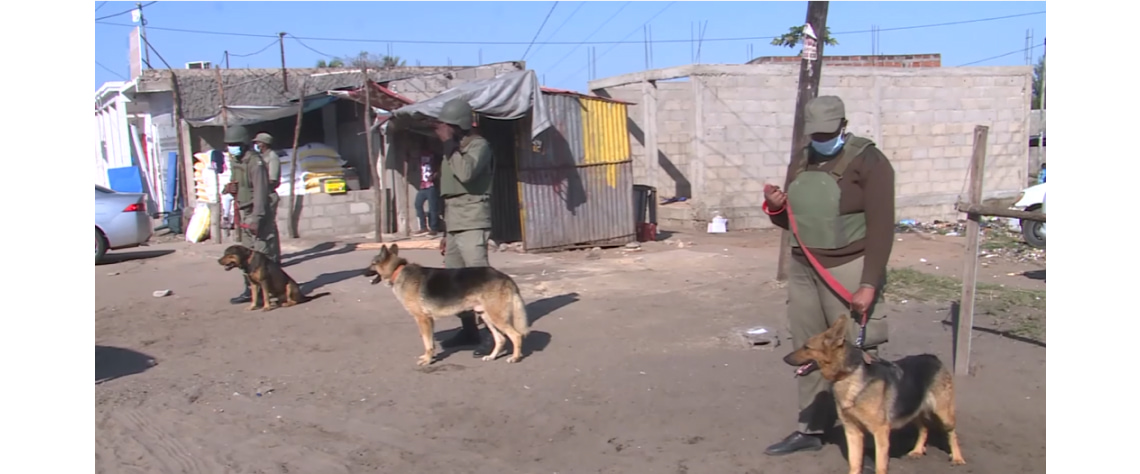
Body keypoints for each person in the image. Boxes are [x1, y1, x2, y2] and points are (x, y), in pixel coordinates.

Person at [761, 95, 896, 456]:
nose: (821, 139)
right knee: (807, 346)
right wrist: (776, 208)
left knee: (857, 350)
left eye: (828, 132)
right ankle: (811, 429)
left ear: (843, 125)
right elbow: (792, 220)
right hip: (804, 265)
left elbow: (882, 226)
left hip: (847, 267)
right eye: (815, 133)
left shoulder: (870, 161)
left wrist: (868, 283)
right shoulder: (803, 160)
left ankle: (871, 441)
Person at [433, 98, 495, 354]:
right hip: (455, 221)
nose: (442, 131)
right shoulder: (453, 151)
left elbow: (467, 174)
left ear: (457, 125)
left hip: (472, 219)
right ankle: (469, 331)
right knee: (456, 282)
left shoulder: (479, 146)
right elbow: (450, 192)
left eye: (446, 126)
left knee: (480, 281)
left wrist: (448, 144)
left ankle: (493, 335)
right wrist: (446, 233)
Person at [222, 125, 278, 306]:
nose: (231, 147)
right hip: (244, 210)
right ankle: (250, 290)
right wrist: (230, 189)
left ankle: (271, 291)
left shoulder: (256, 163)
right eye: (229, 144)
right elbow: (238, 184)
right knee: (246, 255)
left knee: (263, 254)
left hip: (257, 213)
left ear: (243, 144)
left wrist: (257, 218)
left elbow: (261, 192)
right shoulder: (237, 161)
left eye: (235, 144)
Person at [253, 132, 282, 261]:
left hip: (269, 195)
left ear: (264, 144)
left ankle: (274, 256)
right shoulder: (260, 157)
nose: (256, 145)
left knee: (269, 227)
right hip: (261, 194)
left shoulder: (272, 157)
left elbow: (273, 179)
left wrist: (261, 184)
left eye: (258, 142)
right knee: (264, 227)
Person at [413, 148, 442, 236]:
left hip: (431, 186)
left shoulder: (434, 156)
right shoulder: (419, 157)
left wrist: (434, 176)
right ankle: (423, 227)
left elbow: (439, 168)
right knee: (418, 204)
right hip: (423, 186)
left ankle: (433, 228)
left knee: (432, 207)